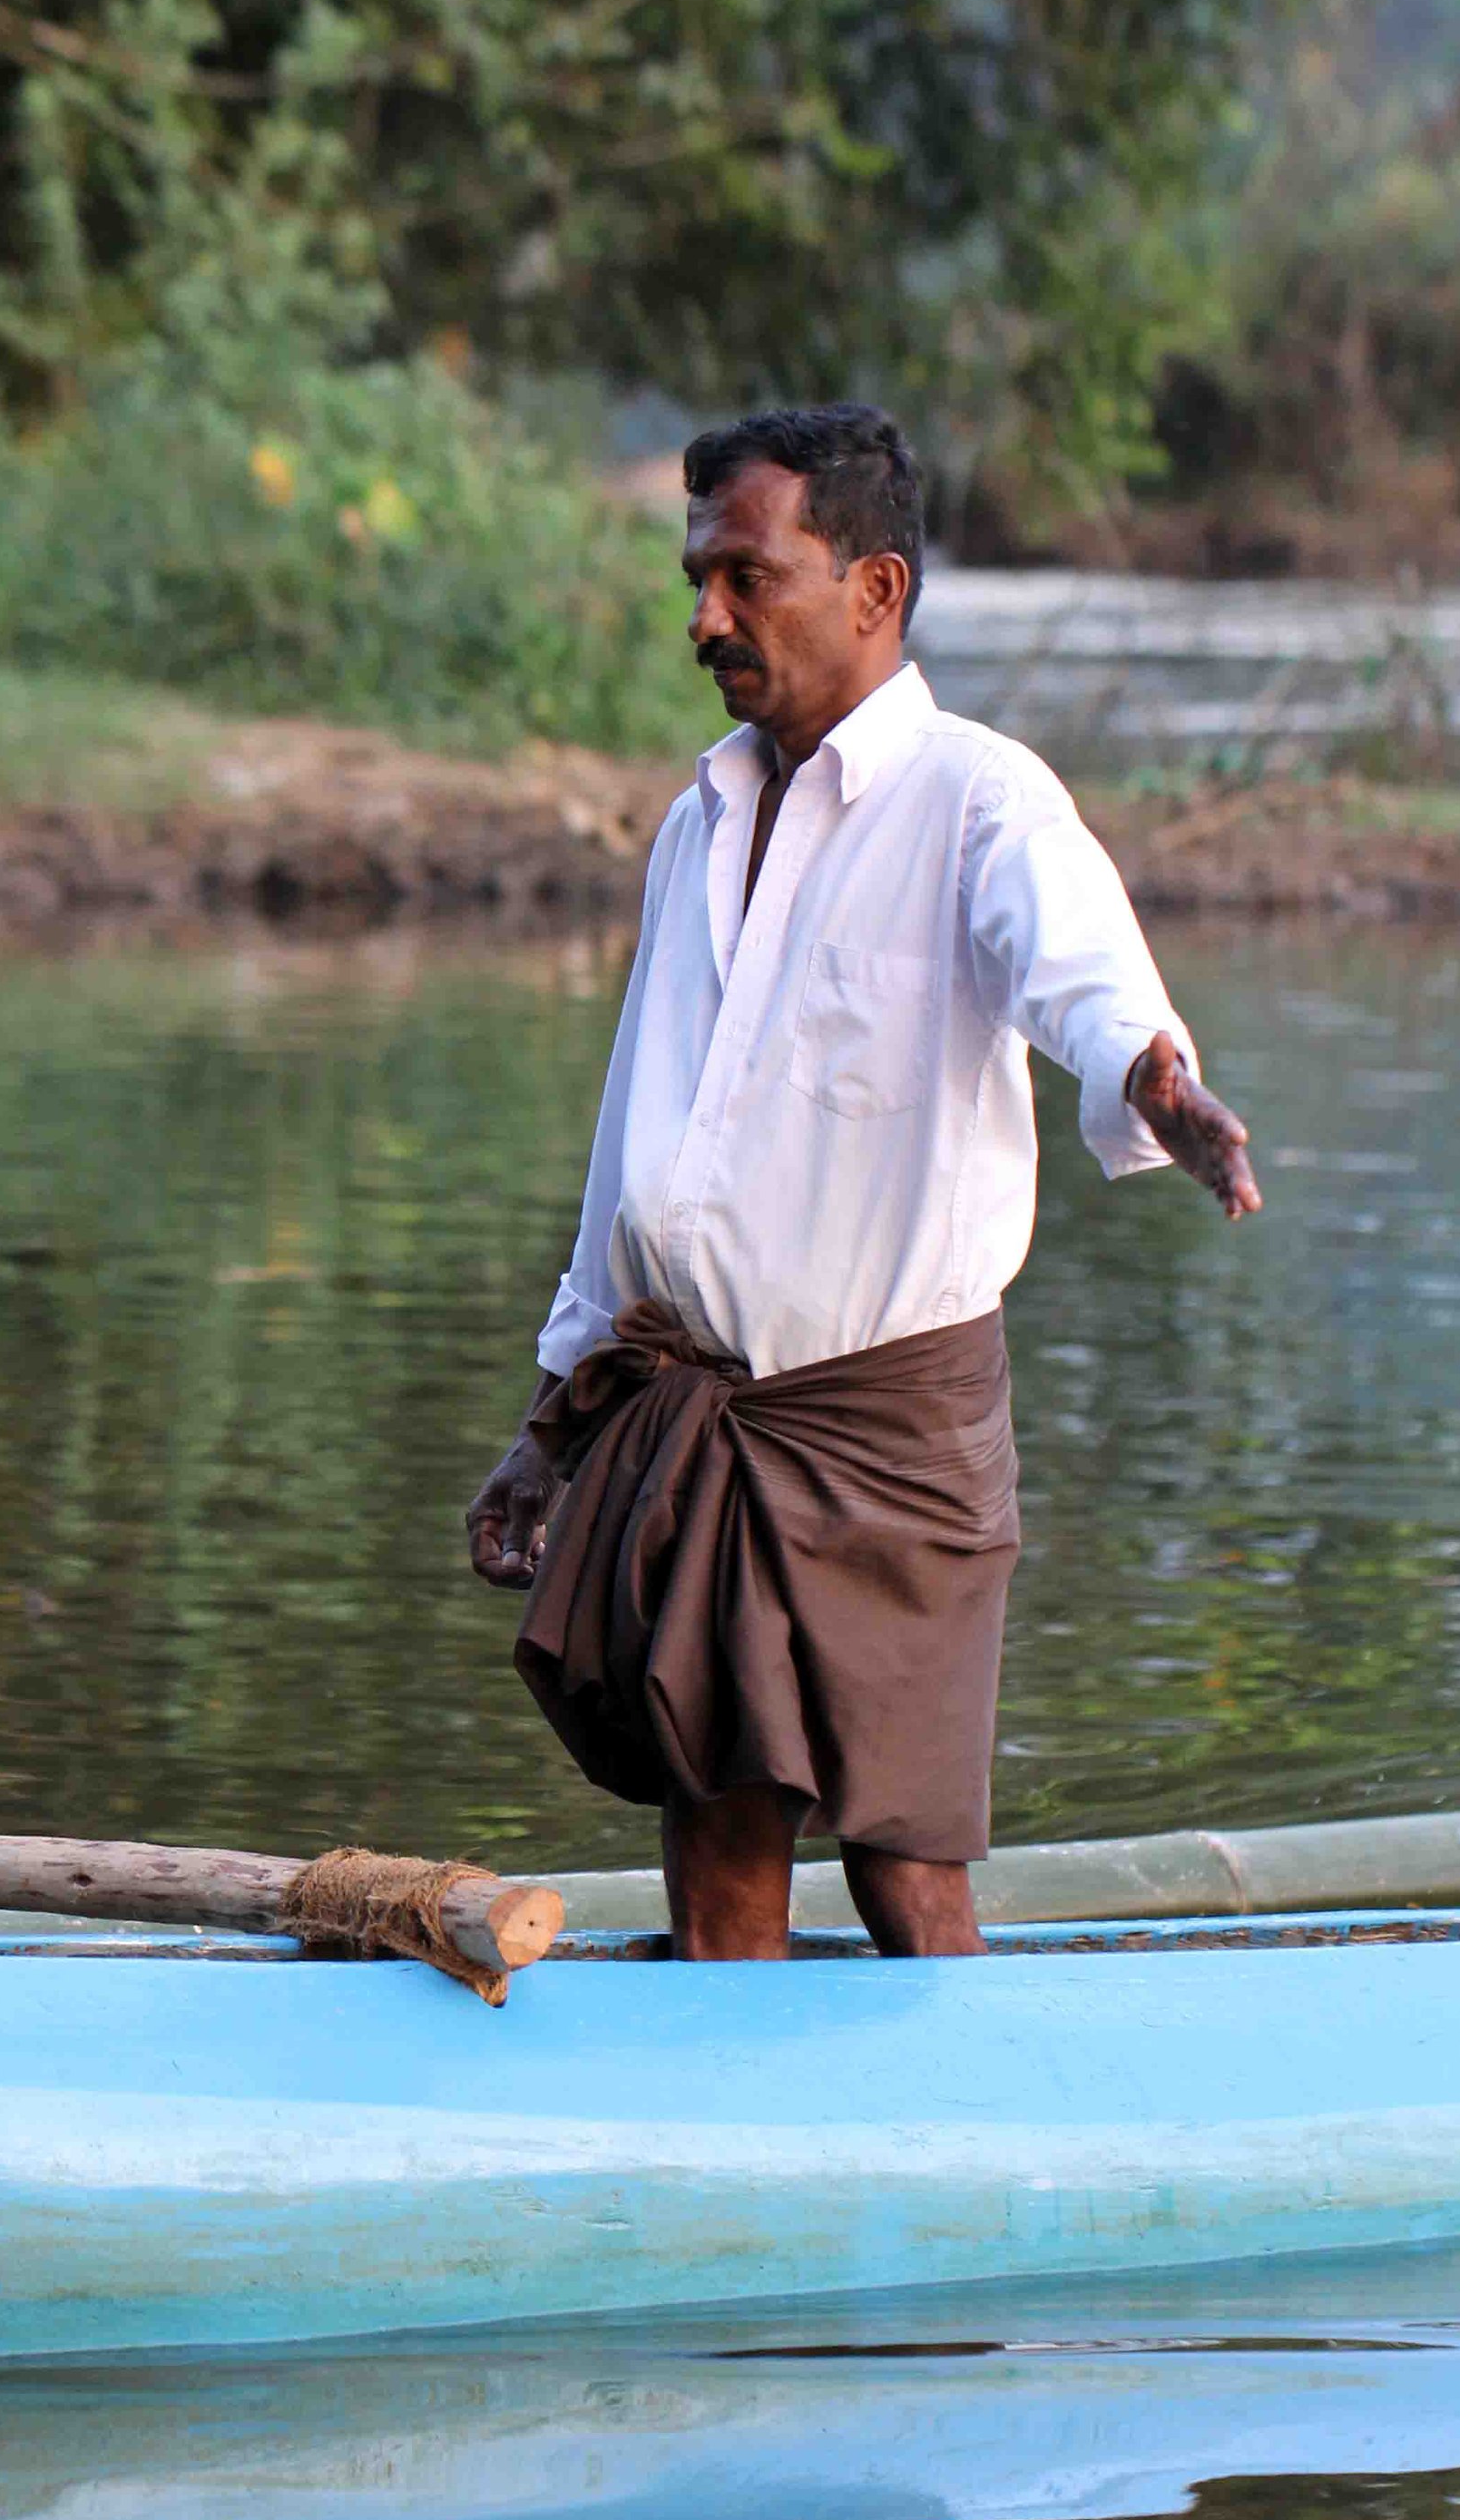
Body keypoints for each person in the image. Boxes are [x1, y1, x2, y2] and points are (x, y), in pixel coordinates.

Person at [465, 403, 1259, 1961]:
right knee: (718, 1834)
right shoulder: (697, 820)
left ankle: (950, 2147)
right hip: (689, 1411)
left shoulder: (982, 800)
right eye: (699, 579)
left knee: (907, 1857)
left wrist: (1152, 1073)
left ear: (875, 590)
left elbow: (1076, 971)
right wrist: (553, 1412)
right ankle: (740, 2163)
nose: (706, 619)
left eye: (748, 577)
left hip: (888, 1432)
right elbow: (641, 1137)